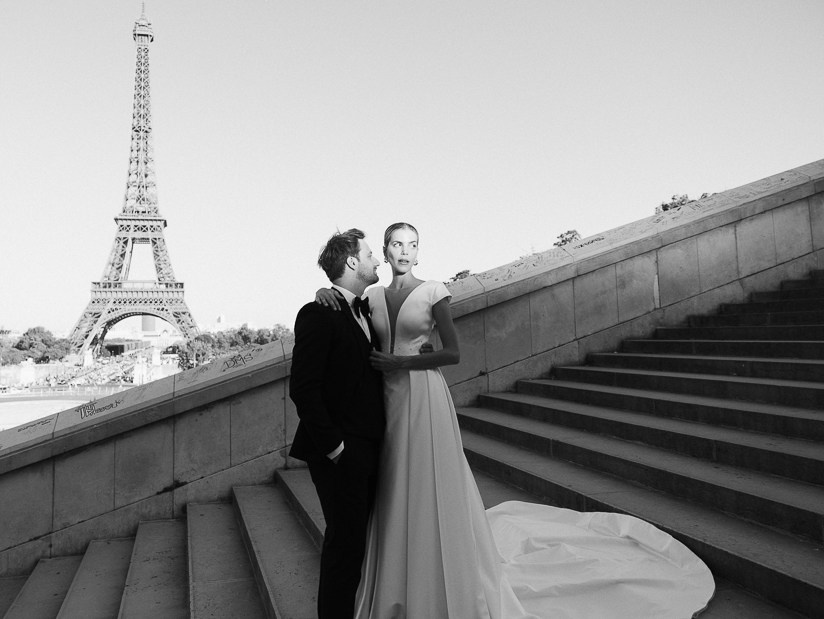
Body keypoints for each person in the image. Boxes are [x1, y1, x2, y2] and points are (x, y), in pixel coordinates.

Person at [315, 222, 715, 619]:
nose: (405, 251)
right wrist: (322, 292)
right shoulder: (370, 296)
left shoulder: (435, 291)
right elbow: (348, 316)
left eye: (413, 245)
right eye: (396, 244)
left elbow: (453, 353)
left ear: (420, 252)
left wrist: (404, 361)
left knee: (427, 481)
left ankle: (439, 577)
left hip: (423, 396)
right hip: (386, 400)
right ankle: (395, 578)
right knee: (394, 485)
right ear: (384, 252)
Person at [289, 228, 386, 619]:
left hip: (372, 444)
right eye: (369, 254)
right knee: (344, 547)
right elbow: (304, 389)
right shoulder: (318, 313)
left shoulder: (366, 305)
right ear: (351, 262)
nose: (376, 260)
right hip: (341, 452)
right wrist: (336, 449)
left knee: (358, 543)